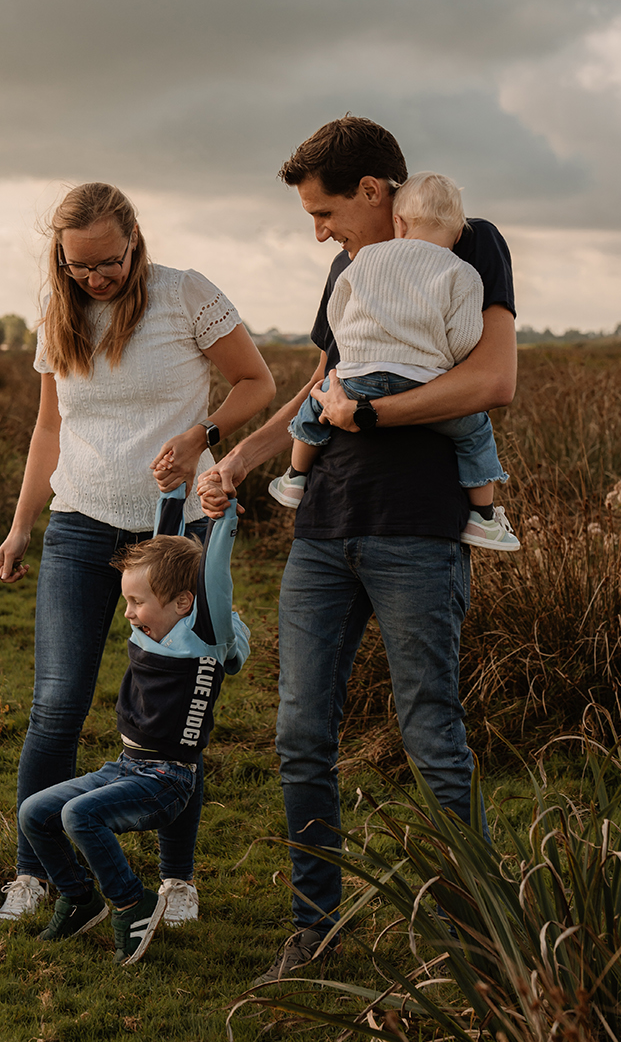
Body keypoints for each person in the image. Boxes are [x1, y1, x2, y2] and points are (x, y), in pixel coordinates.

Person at [198, 116, 517, 986]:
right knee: (300, 734)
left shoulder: (470, 242)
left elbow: (492, 379)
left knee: (431, 737)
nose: (320, 233)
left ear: (374, 193)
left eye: (326, 212)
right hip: (324, 530)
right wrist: (239, 458)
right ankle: (316, 931)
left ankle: (482, 945)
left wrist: (371, 415)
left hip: (417, 530)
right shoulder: (348, 272)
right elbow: (323, 385)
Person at [0, 181, 275, 924]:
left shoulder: (186, 297)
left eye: (108, 263)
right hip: (80, 525)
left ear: (134, 240)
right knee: (55, 707)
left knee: (173, 714)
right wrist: (23, 526)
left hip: (171, 535)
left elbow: (258, 381)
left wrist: (201, 435)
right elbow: (48, 431)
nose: (95, 278)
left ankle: (176, 882)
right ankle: (36, 873)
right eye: (79, 266)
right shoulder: (59, 319)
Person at [15, 483, 250, 964]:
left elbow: (215, 575)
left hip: (168, 779)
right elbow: (165, 544)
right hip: (126, 766)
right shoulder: (156, 618)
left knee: (78, 816)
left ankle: (130, 901)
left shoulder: (205, 632)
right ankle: (81, 899)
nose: (128, 613)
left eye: (137, 603)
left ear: (184, 602)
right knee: (35, 812)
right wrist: (173, 493)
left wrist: (222, 520)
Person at [268, 171, 518, 552]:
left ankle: (294, 477)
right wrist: (443, 360)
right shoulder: (462, 270)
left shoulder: (363, 259)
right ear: (456, 232)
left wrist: (355, 353)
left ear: (398, 223)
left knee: (316, 401)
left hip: (357, 377)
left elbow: (338, 314)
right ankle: (483, 517)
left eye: (325, 214)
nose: (321, 231)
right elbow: (466, 335)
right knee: (476, 434)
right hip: (422, 382)